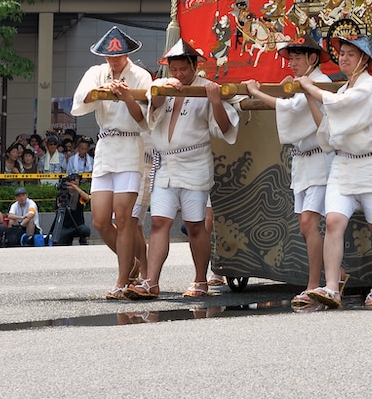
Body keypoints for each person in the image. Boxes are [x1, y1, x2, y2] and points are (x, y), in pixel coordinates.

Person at [128, 39, 240, 300]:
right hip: (166, 163)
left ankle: (201, 279)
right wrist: (159, 89)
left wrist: (215, 102)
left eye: (183, 69)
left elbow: (225, 129)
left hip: (195, 162)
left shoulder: (208, 88)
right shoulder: (162, 86)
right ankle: (151, 281)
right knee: (158, 222)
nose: (178, 74)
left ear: (195, 66)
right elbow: (150, 112)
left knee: (195, 225)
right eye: (173, 69)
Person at [298, 22, 372, 310]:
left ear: (364, 59)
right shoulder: (341, 91)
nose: (344, 58)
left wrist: (309, 87)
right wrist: (307, 94)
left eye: (351, 54)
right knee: (334, 221)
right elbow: (327, 126)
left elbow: (340, 108)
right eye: (341, 53)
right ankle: (330, 287)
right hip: (343, 164)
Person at [246, 33, 334, 310]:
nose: (292, 63)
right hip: (301, 162)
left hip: (320, 161)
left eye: (297, 58)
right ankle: (337, 275)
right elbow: (291, 105)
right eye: (290, 58)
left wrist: (256, 92)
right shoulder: (302, 83)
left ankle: (313, 285)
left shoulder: (321, 82)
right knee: (304, 226)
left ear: (312, 58)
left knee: (310, 223)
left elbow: (291, 109)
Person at [71, 25, 152, 299]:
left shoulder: (141, 75)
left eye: (118, 56)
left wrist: (127, 97)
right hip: (105, 145)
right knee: (101, 220)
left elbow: (144, 118)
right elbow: (81, 100)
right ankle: (134, 264)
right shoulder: (95, 72)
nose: (113, 60)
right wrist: (101, 89)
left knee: (125, 217)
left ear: (128, 53)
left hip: (131, 145)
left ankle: (121, 280)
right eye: (108, 56)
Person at [48, 174, 91, 246]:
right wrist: (59, 208)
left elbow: (86, 198)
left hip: (78, 225)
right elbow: (56, 212)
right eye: (72, 181)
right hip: (66, 226)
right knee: (59, 243)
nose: (74, 183)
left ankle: (82, 239)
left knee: (85, 230)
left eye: (76, 181)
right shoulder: (62, 195)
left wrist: (76, 188)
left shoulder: (80, 193)